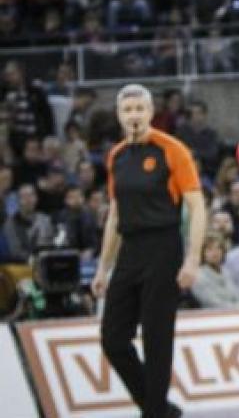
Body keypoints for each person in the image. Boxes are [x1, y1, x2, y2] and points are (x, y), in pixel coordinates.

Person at [91, 84, 207, 418]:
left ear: (151, 112)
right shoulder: (116, 156)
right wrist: (102, 269)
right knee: (113, 339)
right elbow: (115, 215)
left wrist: (192, 259)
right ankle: (160, 410)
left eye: (140, 109)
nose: (134, 116)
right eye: (128, 110)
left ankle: (154, 412)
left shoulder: (172, 149)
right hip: (130, 250)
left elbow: (197, 207)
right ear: (119, 115)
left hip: (164, 248)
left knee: (157, 339)